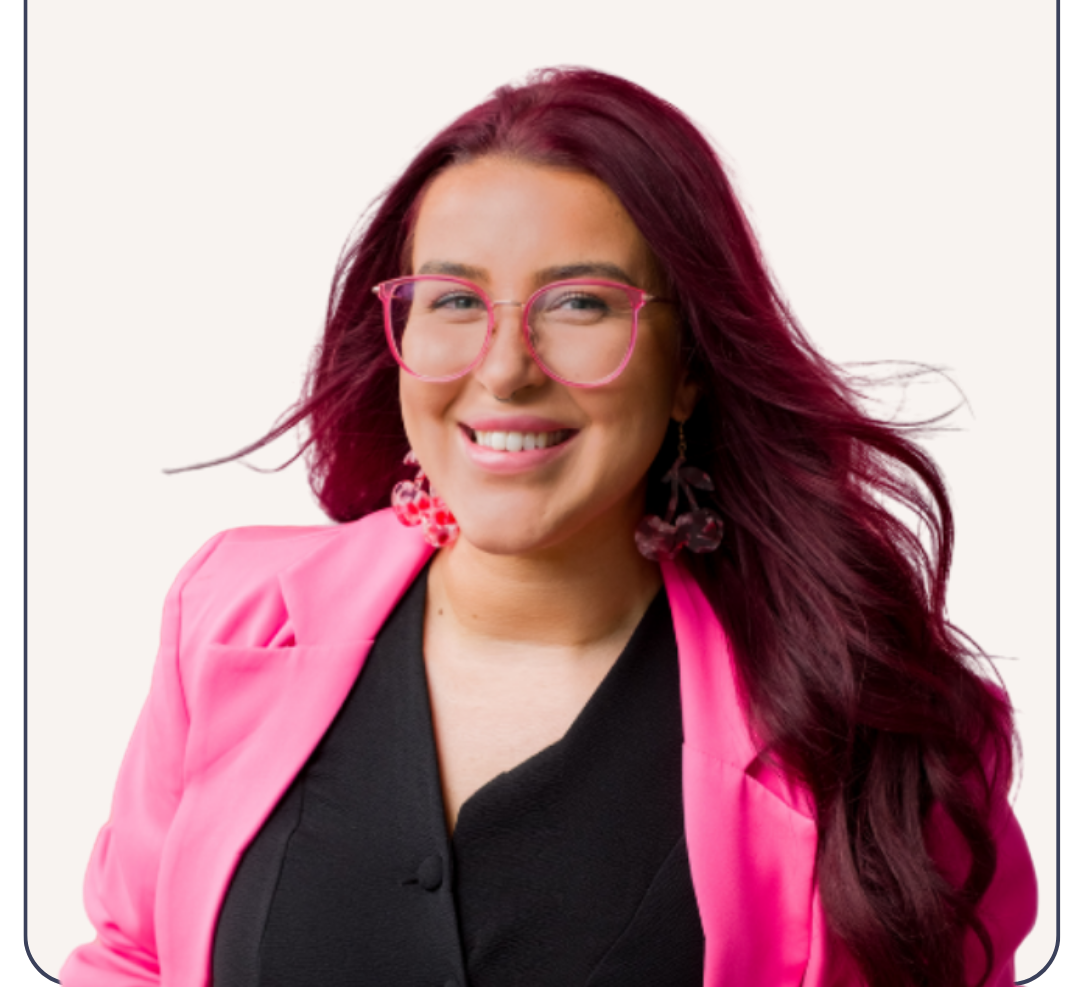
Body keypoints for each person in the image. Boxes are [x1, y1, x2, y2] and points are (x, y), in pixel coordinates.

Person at [58, 67, 1036, 987]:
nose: (504, 369)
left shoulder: (875, 726)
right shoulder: (228, 614)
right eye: (452, 300)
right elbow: (132, 957)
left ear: (690, 363)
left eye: (578, 303)